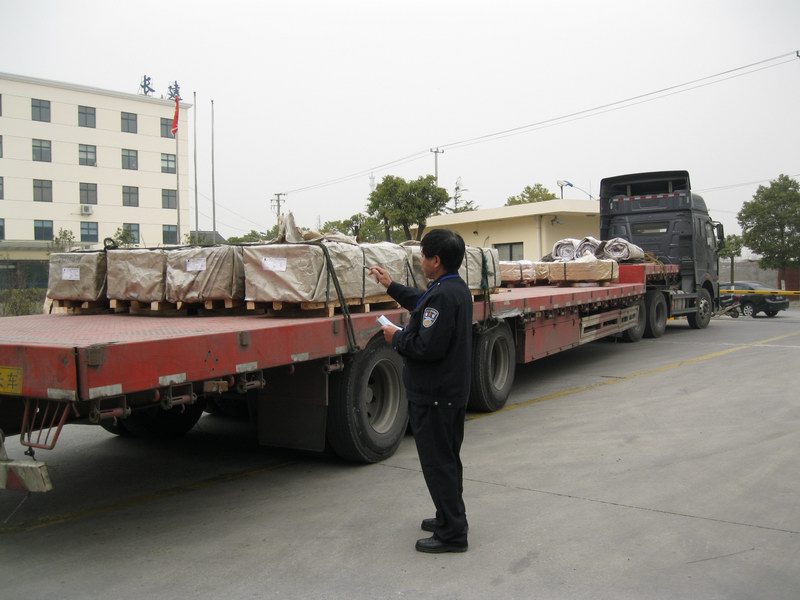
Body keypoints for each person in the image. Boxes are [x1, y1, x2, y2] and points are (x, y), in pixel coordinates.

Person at [369, 229, 473, 553]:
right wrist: (390, 285)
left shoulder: (443, 295)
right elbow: (422, 305)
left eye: (424, 256)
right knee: (447, 460)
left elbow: (427, 347)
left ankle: (453, 534)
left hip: (436, 396)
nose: (421, 261)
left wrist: (396, 338)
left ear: (436, 260)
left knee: (438, 464)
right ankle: (448, 516)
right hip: (449, 392)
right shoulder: (453, 288)